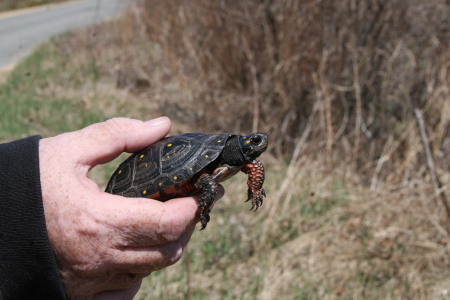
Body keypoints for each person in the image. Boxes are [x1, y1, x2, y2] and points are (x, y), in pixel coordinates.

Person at [0, 117, 223, 300]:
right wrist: (24, 208)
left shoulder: (225, 154)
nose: (259, 144)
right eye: (252, 143)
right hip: (144, 181)